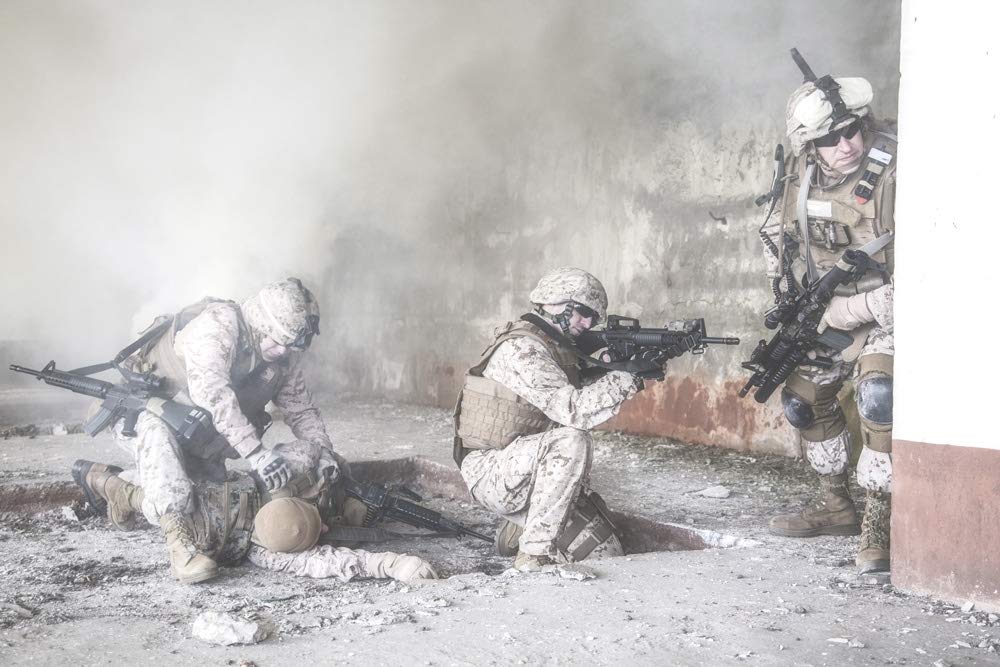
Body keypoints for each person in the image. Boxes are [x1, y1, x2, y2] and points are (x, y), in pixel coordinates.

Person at [94, 278, 344, 584]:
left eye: (288, 345)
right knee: (161, 448)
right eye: (277, 342)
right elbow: (213, 395)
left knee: (208, 500)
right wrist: (256, 454)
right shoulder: (217, 326)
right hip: (146, 420)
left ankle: (122, 492)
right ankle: (179, 547)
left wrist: (325, 453)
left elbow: (301, 410)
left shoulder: (282, 356)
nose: (281, 351)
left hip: (201, 437)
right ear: (258, 323)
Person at [759, 69, 896, 573]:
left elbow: (934, 277)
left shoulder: (898, 171)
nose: (849, 143)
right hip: (826, 310)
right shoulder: (798, 174)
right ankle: (837, 506)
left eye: (854, 129)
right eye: (832, 137)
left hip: (889, 307)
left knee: (878, 394)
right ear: (809, 144)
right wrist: (786, 294)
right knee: (800, 400)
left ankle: (879, 522)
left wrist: (848, 309)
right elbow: (775, 236)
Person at [453, 267, 646, 571]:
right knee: (572, 439)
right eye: (583, 313)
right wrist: (628, 378)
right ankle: (533, 554)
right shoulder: (524, 349)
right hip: (491, 470)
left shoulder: (558, 348)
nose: (588, 323)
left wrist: (615, 364)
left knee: (606, 554)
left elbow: (576, 386)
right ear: (556, 303)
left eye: (594, 318)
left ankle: (518, 529)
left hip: (526, 469)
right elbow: (574, 410)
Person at [71, 440, 437, 584]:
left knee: (160, 492)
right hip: (189, 508)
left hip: (205, 481)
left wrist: (330, 468)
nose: (326, 530)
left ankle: (110, 484)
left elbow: (307, 448)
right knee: (153, 500)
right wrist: (391, 565)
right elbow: (330, 562)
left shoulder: (275, 482)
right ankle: (106, 485)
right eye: (319, 533)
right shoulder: (269, 555)